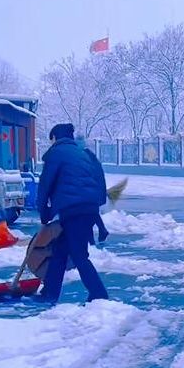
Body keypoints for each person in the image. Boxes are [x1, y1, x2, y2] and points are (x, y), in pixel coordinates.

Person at [36, 123, 108, 302]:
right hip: (87, 208)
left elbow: (45, 185)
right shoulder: (84, 153)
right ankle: (49, 293)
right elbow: (100, 178)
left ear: (55, 138)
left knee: (79, 255)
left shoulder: (56, 153)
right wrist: (96, 205)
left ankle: (99, 295)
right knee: (60, 251)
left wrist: (44, 214)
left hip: (74, 210)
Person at [75, 135, 110, 243]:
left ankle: (94, 238)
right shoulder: (90, 156)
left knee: (87, 215)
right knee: (89, 215)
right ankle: (96, 236)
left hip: (90, 191)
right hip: (94, 191)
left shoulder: (83, 157)